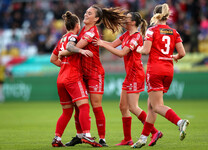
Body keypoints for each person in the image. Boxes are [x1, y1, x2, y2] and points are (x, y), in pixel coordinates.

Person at [58, 5, 127, 147]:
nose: (86, 15)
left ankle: (102, 138)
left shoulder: (92, 32)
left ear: (96, 19)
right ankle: (80, 135)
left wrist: (62, 52)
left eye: (89, 13)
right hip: (81, 73)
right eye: (86, 12)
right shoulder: (83, 29)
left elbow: (76, 49)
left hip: (95, 73)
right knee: (79, 106)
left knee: (96, 106)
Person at [94, 12, 162, 146]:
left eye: (127, 18)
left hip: (136, 74)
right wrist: (100, 42)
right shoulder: (126, 35)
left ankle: (154, 132)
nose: (124, 20)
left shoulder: (136, 37)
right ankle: (127, 139)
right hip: (130, 74)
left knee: (133, 107)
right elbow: (113, 45)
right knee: (123, 106)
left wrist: (102, 44)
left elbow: (121, 53)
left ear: (133, 22)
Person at [131, 3, 189, 148]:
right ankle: (143, 138)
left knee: (157, 106)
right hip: (168, 70)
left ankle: (179, 122)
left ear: (154, 15)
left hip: (155, 69)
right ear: (167, 16)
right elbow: (182, 53)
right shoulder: (174, 32)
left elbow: (145, 50)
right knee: (151, 106)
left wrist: (136, 48)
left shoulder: (152, 30)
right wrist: (174, 57)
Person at [50, 11, 102, 147]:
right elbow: (70, 47)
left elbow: (52, 59)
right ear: (77, 25)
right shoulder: (73, 37)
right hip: (73, 77)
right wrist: (81, 51)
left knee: (67, 111)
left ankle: (57, 138)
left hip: (61, 78)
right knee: (84, 106)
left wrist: (65, 66)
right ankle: (87, 135)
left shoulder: (61, 38)